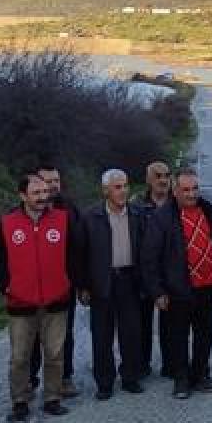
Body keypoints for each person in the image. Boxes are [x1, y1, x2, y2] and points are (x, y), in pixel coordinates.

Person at [0, 172, 76, 421]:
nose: (41, 197)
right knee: (20, 357)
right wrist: (9, 287)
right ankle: (20, 400)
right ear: (22, 195)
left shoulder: (62, 219)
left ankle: (52, 397)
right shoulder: (7, 223)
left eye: (44, 192)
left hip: (56, 301)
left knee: (55, 353)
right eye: (36, 193)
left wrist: (68, 284)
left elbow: (73, 255)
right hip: (20, 304)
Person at [142, 166, 212, 400]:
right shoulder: (161, 218)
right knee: (177, 337)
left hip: (208, 286)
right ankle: (181, 379)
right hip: (177, 289)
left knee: (205, 334)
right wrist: (157, 291)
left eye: (195, 188)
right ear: (175, 191)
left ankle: (200, 375)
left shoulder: (210, 212)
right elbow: (149, 258)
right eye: (186, 189)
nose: (191, 194)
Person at [80, 169, 146, 401]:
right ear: (106, 190)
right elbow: (81, 254)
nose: (123, 191)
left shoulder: (137, 214)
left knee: (131, 332)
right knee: (102, 334)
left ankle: (130, 377)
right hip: (102, 281)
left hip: (129, 280)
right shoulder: (90, 217)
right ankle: (104, 382)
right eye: (117, 187)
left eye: (126, 186)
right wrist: (84, 286)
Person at [29, 164, 81, 399]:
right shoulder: (21, 213)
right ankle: (30, 380)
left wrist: (81, 282)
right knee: (31, 336)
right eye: (48, 181)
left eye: (56, 180)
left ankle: (64, 378)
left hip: (63, 286)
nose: (53, 186)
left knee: (64, 334)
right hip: (30, 287)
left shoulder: (70, 210)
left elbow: (80, 246)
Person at [131, 161, 172, 378]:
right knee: (142, 323)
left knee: (171, 324)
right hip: (143, 273)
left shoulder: (176, 202)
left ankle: (170, 365)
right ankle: (142, 365)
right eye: (157, 176)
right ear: (148, 179)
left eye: (166, 175)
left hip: (170, 273)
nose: (163, 180)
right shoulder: (136, 206)